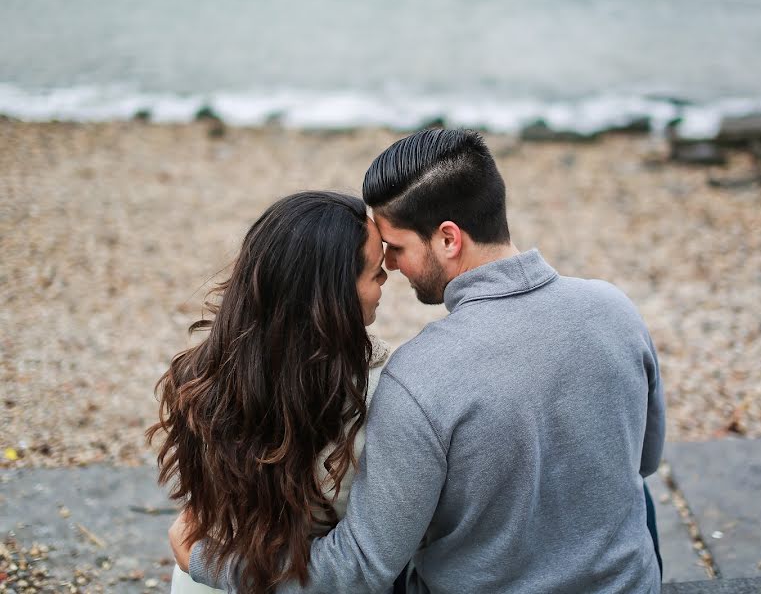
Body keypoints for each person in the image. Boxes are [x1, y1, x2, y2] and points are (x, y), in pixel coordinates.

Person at [178, 129, 666, 593]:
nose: (389, 265)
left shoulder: (419, 377)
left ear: (448, 239)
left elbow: (361, 568)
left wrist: (207, 560)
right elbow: (644, 459)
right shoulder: (615, 308)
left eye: (396, 248)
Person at [147, 191, 390, 594]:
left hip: (202, 578)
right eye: (377, 272)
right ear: (334, 294)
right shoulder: (381, 389)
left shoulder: (202, 373)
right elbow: (368, 558)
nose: (386, 280)